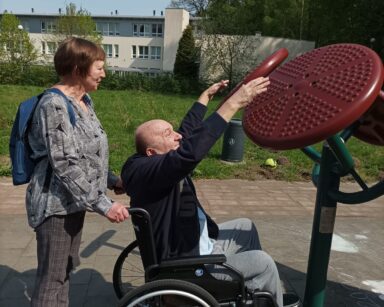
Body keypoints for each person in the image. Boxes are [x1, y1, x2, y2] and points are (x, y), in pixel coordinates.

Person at [121, 78, 285, 306]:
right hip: (188, 266)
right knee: (263, 263)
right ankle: (253, 291)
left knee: (245, 227)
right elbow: (189, 153)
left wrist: (204, 98)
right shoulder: (155, 169)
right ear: (152, 152)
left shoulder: (150, 163)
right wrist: (233, 104)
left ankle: (246, 293)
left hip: (197, 242)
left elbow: (187, 133)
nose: (177, 135)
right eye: (168, 134)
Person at [27, 37, 129, 306]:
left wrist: (111, 179)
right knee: (52, 280)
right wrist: (103, 204)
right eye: (99, 67)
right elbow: (65, 163)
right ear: (77, 69)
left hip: (74, 203)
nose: (104, 74)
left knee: (64, 272)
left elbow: (88, 152)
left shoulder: (84, 102)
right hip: (56, 207)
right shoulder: (55, 105)